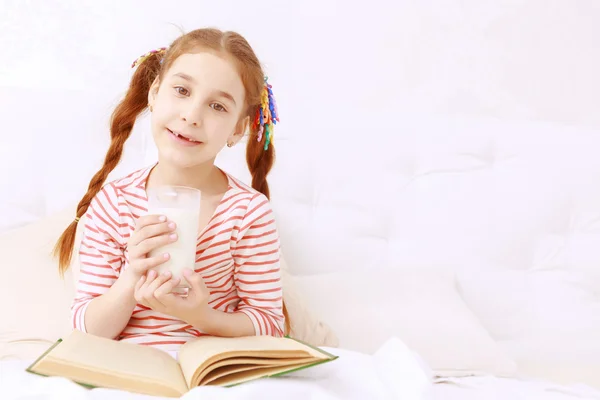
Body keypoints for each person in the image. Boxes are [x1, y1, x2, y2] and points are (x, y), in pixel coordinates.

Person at [53, 28, 289, 356]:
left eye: (218, 106)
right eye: (181, 90)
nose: (191, 115)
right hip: (129, 371)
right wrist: (131, 275)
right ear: (154, 93)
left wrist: (198, 316)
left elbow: (269, 324)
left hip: (211, 373)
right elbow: (87, 330)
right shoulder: (114, 204)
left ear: (238, 127)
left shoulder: (248, 212)